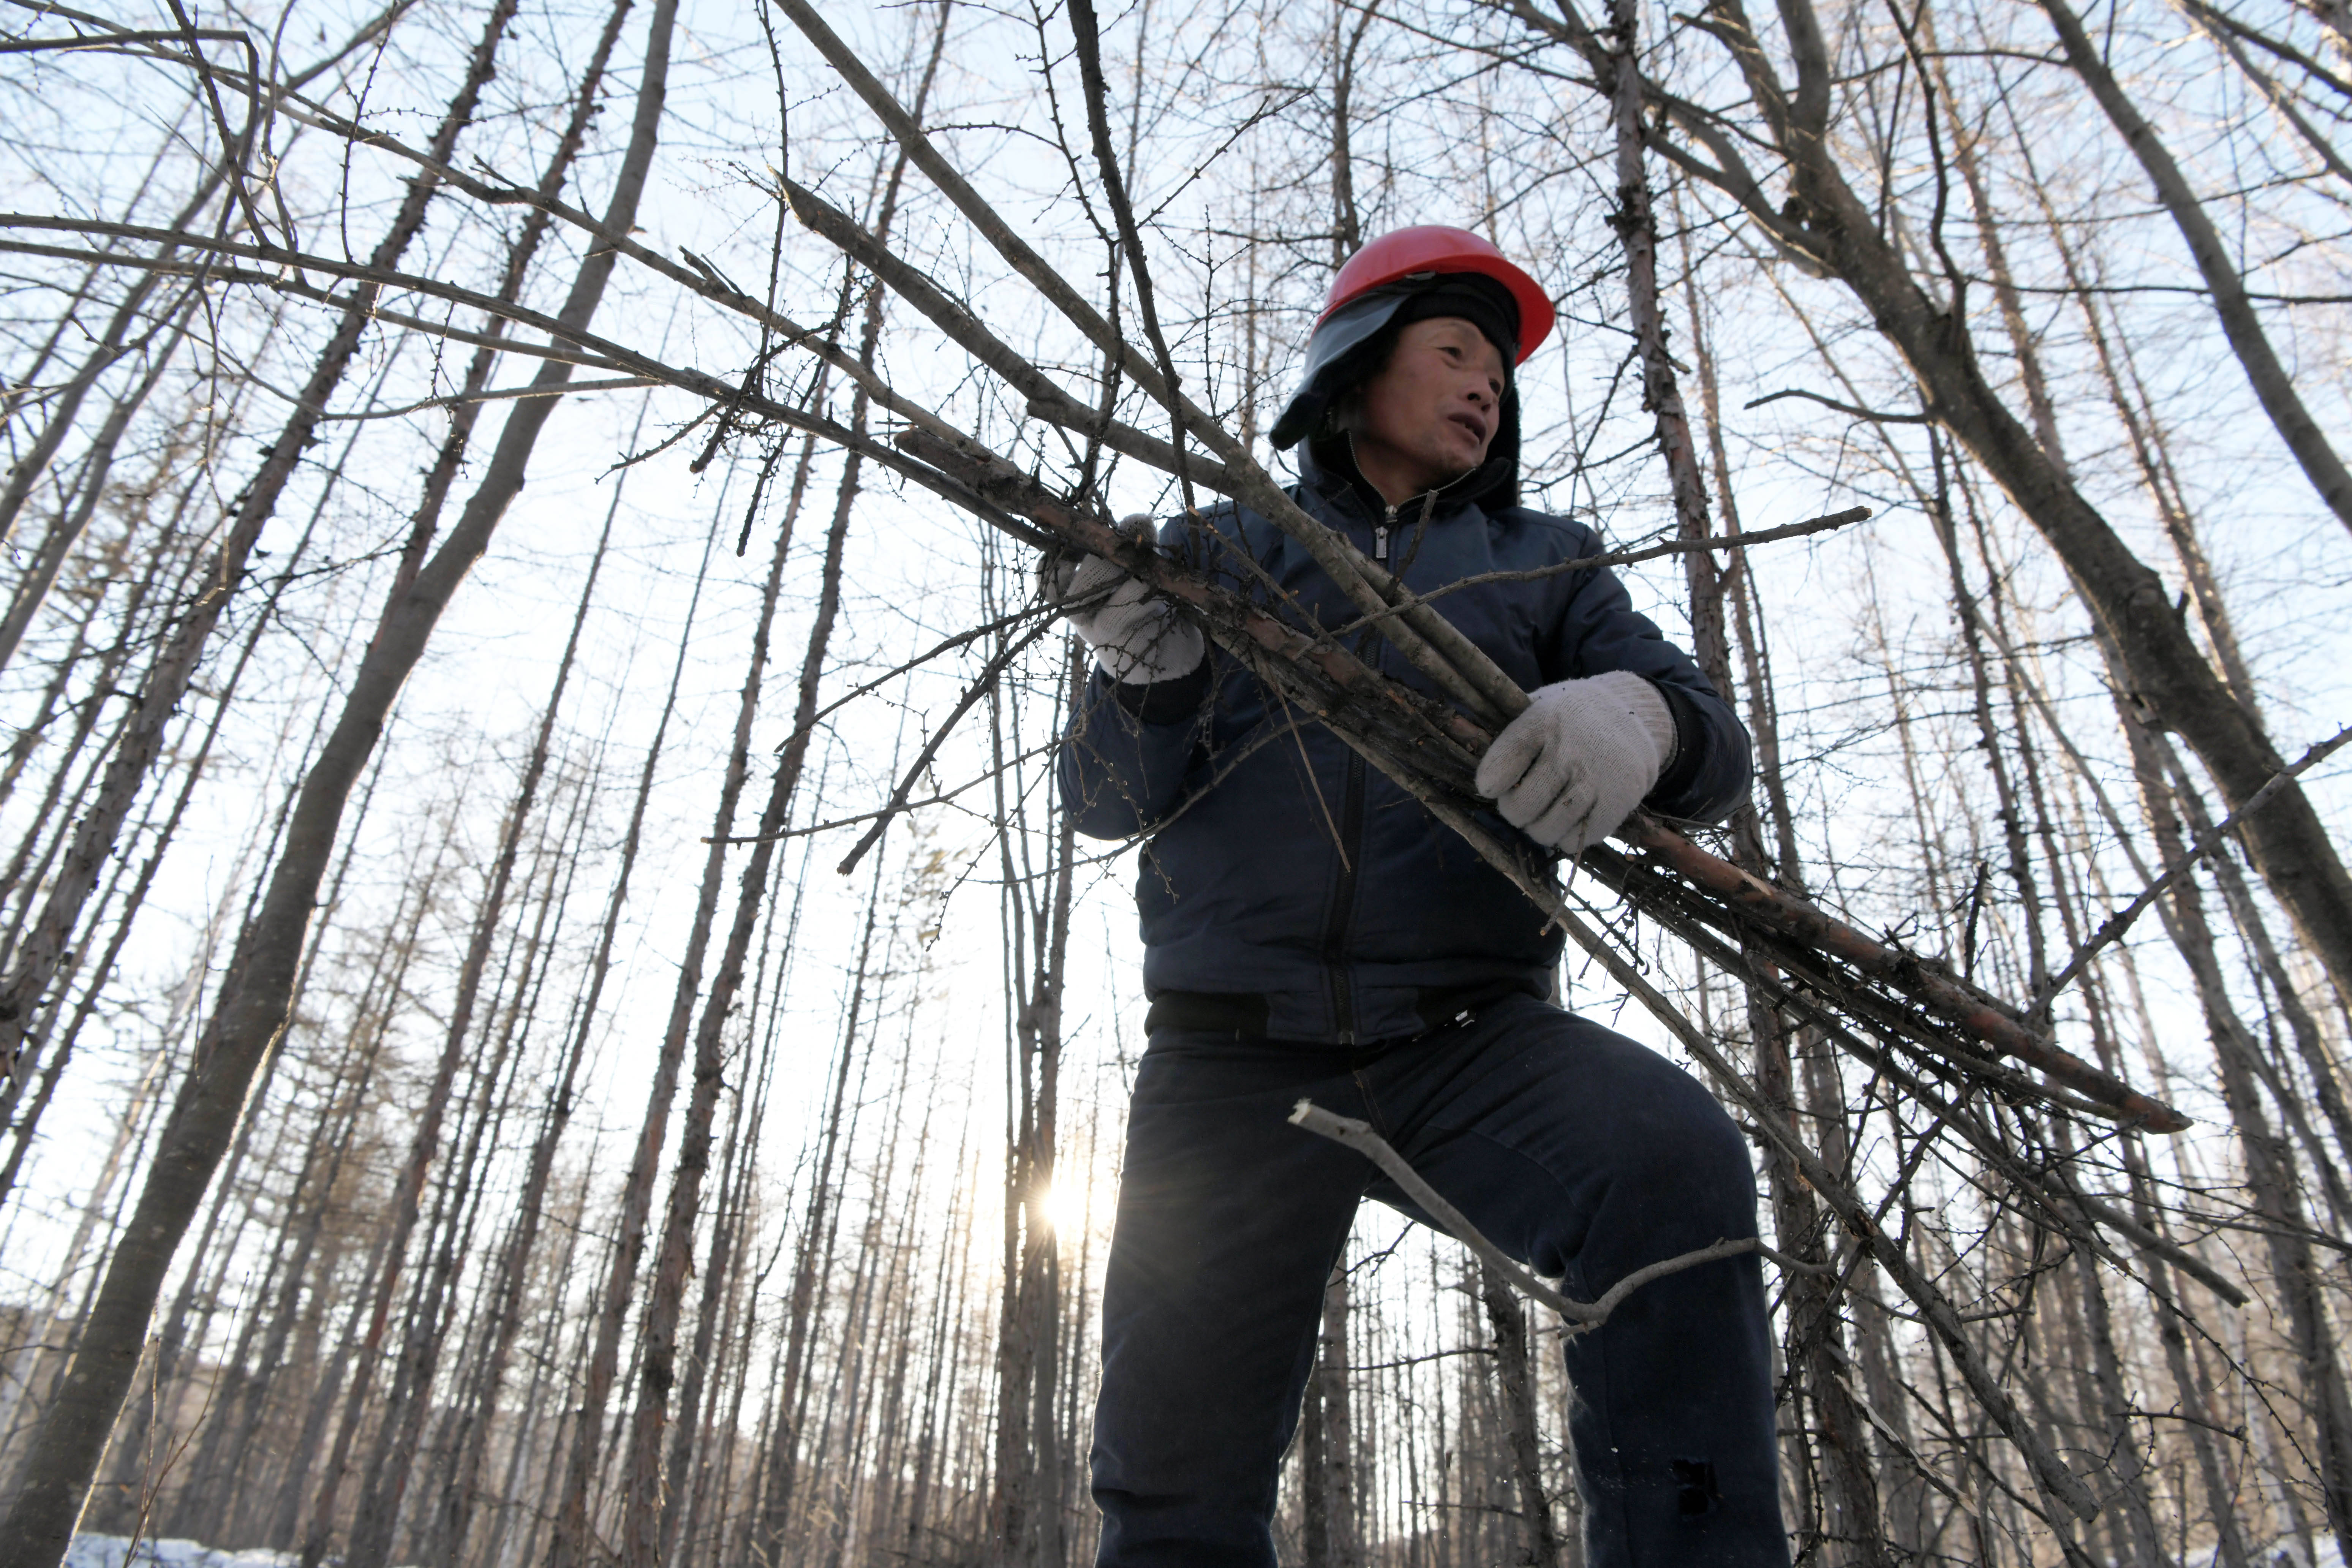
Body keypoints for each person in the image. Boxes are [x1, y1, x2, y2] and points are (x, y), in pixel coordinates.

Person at [1049, 226, 1787, 1568]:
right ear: (1356, 360)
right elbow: (1102, 800)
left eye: (1499, 379)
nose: (1483, 389)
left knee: (1670, 1159)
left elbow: (1708, 745)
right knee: (1173, 1474)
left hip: (1466, 1042)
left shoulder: (1547, 562)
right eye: (1455, 351)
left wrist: (1639, 720)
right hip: (1229, 1059)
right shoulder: (1225, 549)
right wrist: (1145, 679)